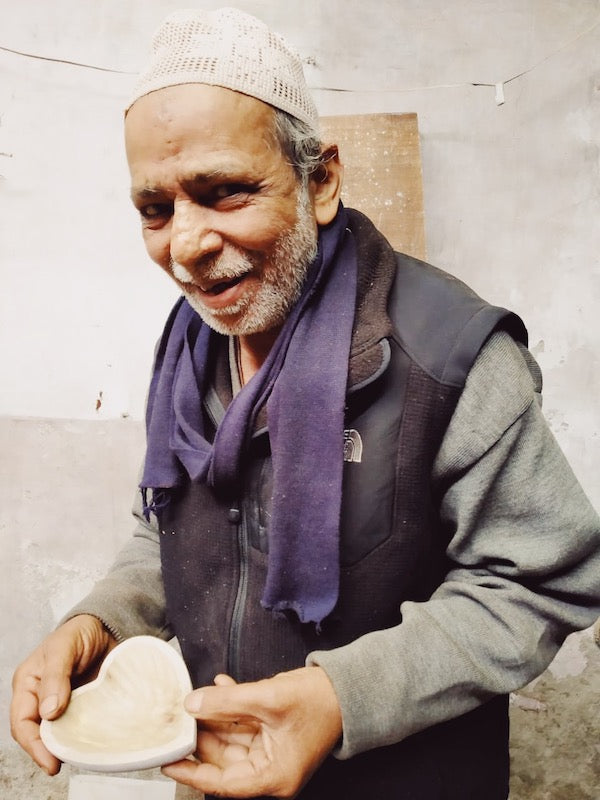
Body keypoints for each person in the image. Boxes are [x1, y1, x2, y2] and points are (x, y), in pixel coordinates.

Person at [10, 8, 600, 800]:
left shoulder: (452, 358)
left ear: (319, 180)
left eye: (224, 192)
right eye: (156, 208)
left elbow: (539, 579)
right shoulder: (190, 345)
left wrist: (341, 699)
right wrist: (103, 620)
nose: (185, 245)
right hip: (219, 774)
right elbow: (169, 527)